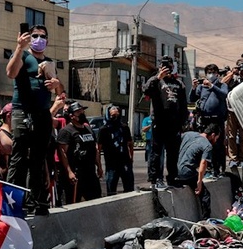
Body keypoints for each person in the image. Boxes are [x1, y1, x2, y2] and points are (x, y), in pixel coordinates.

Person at [5, 23, 63, 215]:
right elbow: (11, 72)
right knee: (19, 157)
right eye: (35, 35)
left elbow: (60, 91)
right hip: (23, 111)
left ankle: (37, 201)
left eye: (42, 36)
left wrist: (56, 84)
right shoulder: (23, 55)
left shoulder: (50, 61)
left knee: (38, 159)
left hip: (43, 113)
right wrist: (19, 47)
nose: (39, 39)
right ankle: (13, 202)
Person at [143, 55, 188, 188]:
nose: (166, 68)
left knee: (173, 153)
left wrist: (182, 123)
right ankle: (156, 178)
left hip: (174, 125)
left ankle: (173, 177)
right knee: (156, 153)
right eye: (163, 66)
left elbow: (183, 105)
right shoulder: (155, 80)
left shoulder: (179, 84)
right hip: (159, 122)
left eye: (169, 66)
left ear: (173, 67)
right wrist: (158, 77)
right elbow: (146, 90)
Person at [172, 123, 221, 219]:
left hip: (174, 170)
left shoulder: (188, 134)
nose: (215, 141)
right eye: (216, 138)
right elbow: (203, 164)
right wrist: (199, 182)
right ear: (213, 135)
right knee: (205, 195)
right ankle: (205, 220)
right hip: (186, 172)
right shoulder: (207, 146)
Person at [57, 101, 103, 202]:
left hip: (90, 173)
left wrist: (99, 166)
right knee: (74, 203)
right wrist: (69, 172)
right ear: (71, 116)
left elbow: (95, 149)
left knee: (96, 202)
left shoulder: (88, 129)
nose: (82, 113)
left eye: (82, 111)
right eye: (78, 112)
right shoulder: (66, 131)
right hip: (76, 174)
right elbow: (62, 153)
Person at [190, 63, 228, 177]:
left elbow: (224, 95)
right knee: (206, 145)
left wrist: (212, 86)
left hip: (217, 120)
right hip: (205, 120)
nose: (210, 74)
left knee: (218, 145)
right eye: (208, 72)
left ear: (217, 74)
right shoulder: (202, 87)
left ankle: (219, 169)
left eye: (213, 72)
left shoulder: (222, 85)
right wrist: (193, 87)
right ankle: (208, 168)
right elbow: (192, 98)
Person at [97, 105, 134, 195]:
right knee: (111, 190)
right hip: (111, 165)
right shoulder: (104, 130)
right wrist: (99, 166)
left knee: (129, 188)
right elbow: (98, 148)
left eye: (117, 114)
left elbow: (130, 143)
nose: (115, 117)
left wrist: (131, 158)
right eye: (113, 115)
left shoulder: (124, 128)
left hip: (125, 162)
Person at [223, 57, 243, 170]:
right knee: (231, 135)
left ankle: (242, 158)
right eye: (240, 66)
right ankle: (233, 159)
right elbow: (221, 83)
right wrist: (232, 73)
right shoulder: (232, 77)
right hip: (232, 110)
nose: (242, 69)